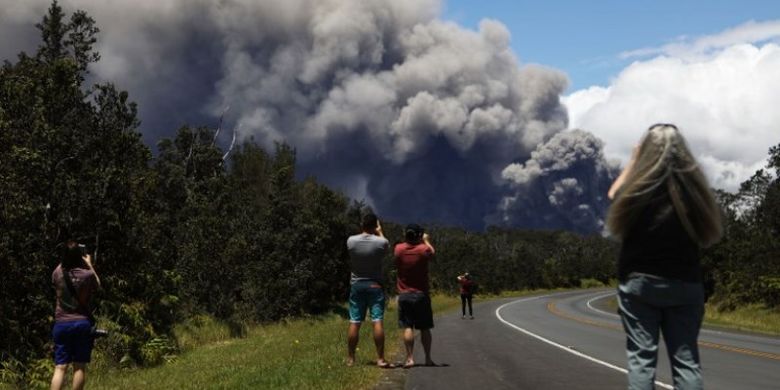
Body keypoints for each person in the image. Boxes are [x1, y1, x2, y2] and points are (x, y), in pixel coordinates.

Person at [607, 123, 723, 390]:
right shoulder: (695, 196)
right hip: (685, 285)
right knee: (686, 363)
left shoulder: (637, 194)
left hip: (639, 286)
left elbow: (614, 195)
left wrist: (634, 161)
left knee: (641, 361)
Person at [51, 240, 101, 390]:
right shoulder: (87, 274)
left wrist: (67, 257)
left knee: (60, 367)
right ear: (80, 256)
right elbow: (98, 285)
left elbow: (57, 281)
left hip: (61, 323)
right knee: (79, 366)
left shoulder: (57, 272)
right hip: (81, 323)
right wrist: (89, 264)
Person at [346, 213, 391, 368]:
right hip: (375, 285)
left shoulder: (351, 241)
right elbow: (385, 245)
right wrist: (379, 231)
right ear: (375, 226)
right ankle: (380, 359)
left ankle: (351, 359)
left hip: (357, 285)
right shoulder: (381, 242)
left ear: (361, 224)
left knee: (354, 322)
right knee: (377, 321)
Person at [395, 224, 436, 368]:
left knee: (408, 327)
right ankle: (428, 358)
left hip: (405, 294)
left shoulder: (398, 249)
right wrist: (426, 240)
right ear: (419, 235)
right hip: (421, 294)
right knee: (425, 328)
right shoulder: (423, 250)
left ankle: (410, 358)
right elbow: (432, 252)